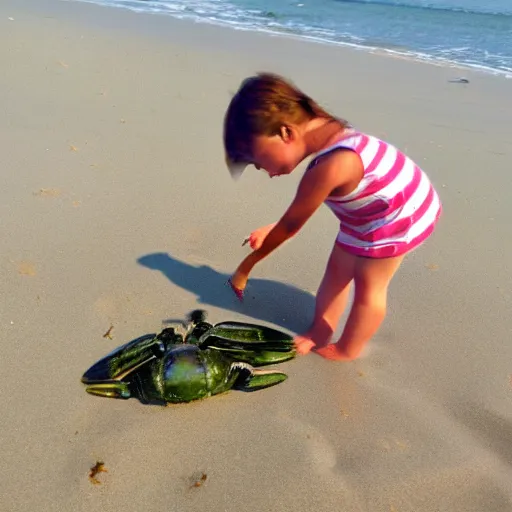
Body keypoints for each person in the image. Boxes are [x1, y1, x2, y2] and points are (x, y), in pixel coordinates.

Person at [223, 73, 442, 361]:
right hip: (368, 209)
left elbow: (292, 225)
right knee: (337, 270)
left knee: (369, 283)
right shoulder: (328, 138)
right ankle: (320, 330)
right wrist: (276, 226)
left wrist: (244, 269)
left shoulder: (330, 166)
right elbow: (297, 214)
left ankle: (348, 348)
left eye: (257, 158)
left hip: (401, 214)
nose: (260, 168)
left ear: (286, 133)